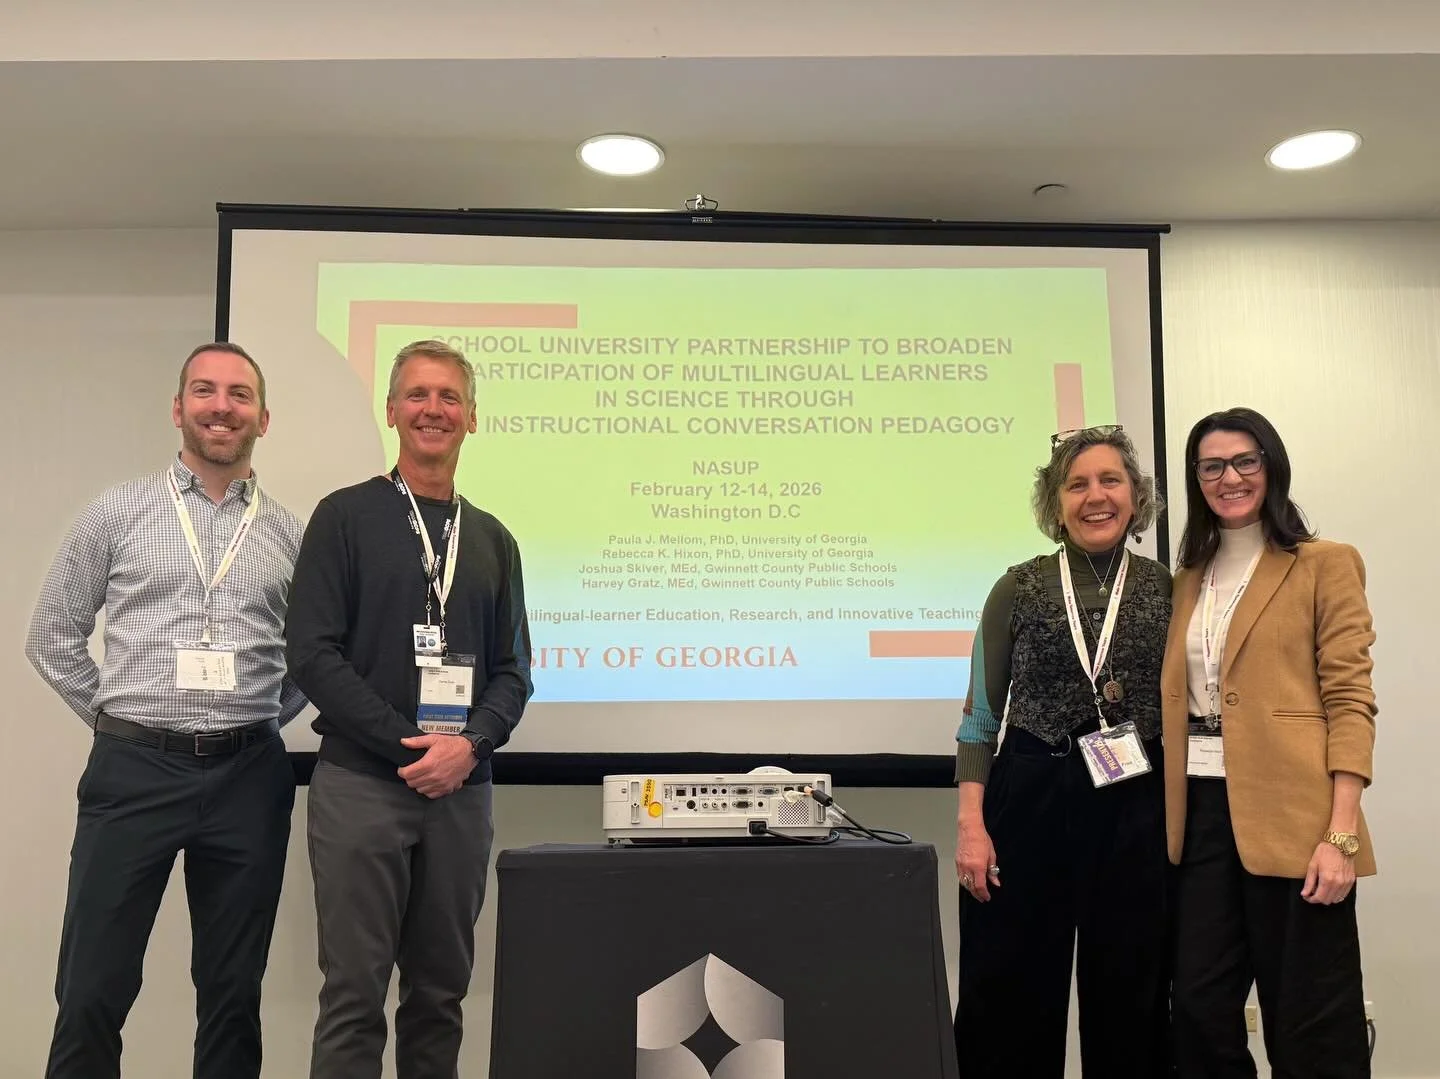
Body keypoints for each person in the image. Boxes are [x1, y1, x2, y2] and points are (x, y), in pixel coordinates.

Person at [25, 343, 305, 1079]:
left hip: (249, 776)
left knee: (232, 994)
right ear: (178, 408)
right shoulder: (116, 512)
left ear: (263, 418)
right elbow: (51, 634)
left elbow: (315, 661)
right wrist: (119, 721)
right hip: (133, 772)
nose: (222, 406)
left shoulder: (290, 534)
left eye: (239, 394)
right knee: (91, 987)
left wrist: (261, 718)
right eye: (205, 391)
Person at [286, 338, 533, 1079]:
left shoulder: (493, 539)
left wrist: (469, 746)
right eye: (418, 395)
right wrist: (408, 745)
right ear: (392, 411)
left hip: (461, 793)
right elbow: (314, 656)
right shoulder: (345, 517)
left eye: (449, 397)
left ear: (472, 418)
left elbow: (513, 673)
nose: (434, 409)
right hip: (363, 785)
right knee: (354, 998)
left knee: (440, 998)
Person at [953, 424, 1172, 1078]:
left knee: (1132, 989)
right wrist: (971, 827)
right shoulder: (1015, 588)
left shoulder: (1167, 588)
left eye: (1110, 480)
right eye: (1077, 484)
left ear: (1137, 496)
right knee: (1008, 992)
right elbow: (978, 720)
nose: (1095, 495)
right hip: (1028, 798)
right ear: (1055, 501)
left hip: (1134, 803)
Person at [1164, 407, 1376, 1078]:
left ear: (1271, 465)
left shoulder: (1325, 563)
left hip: (1297, 816)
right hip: (1198, 816)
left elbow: (1350, 699)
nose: (1229, 477)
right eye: (1212, 466)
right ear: (1196, 480)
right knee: (1197, 1006)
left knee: (1311, 1017)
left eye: (1245, 460)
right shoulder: (1186, 577)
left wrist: (1340, 834)